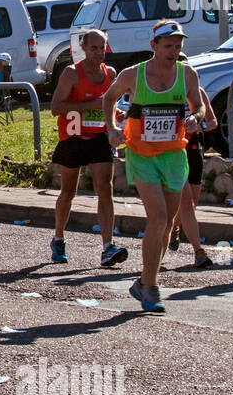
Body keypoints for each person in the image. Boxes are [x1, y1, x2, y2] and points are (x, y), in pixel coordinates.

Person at [102, 20, 206, 315]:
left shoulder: (188, 74)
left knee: (167, 226)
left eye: (178, 46)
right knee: (158, 218)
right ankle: (150, 287)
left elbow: (198, 105)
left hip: (174, 156)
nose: (174, 51)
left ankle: (144, 282)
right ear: (154, 46)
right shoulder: (133, 74)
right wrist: (111, 128)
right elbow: (108, 97)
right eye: (169, 45)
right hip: (142, 154)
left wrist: (196, 117)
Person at [49, 29, 127, 268]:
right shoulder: (72, 73)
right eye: (94, 48)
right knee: (68, 192)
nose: (98, 53)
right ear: (83, 48)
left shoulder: (110, 73)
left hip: (98, 137)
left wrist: (113, 114)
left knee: (105, 188)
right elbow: (55, 107)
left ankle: (107, 246)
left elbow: (109, 104)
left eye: (102, 48)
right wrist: (92, 104)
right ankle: (59, 238)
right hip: (73, 137)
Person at [167, 54, 216, 270]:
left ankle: (175, 228)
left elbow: (212, 121)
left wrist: (198, 124)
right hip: (173, 149)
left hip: (194, 145)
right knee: (185, 201)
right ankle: (198, 251)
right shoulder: (165, 91)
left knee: (191, 201)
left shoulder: (199, 93)